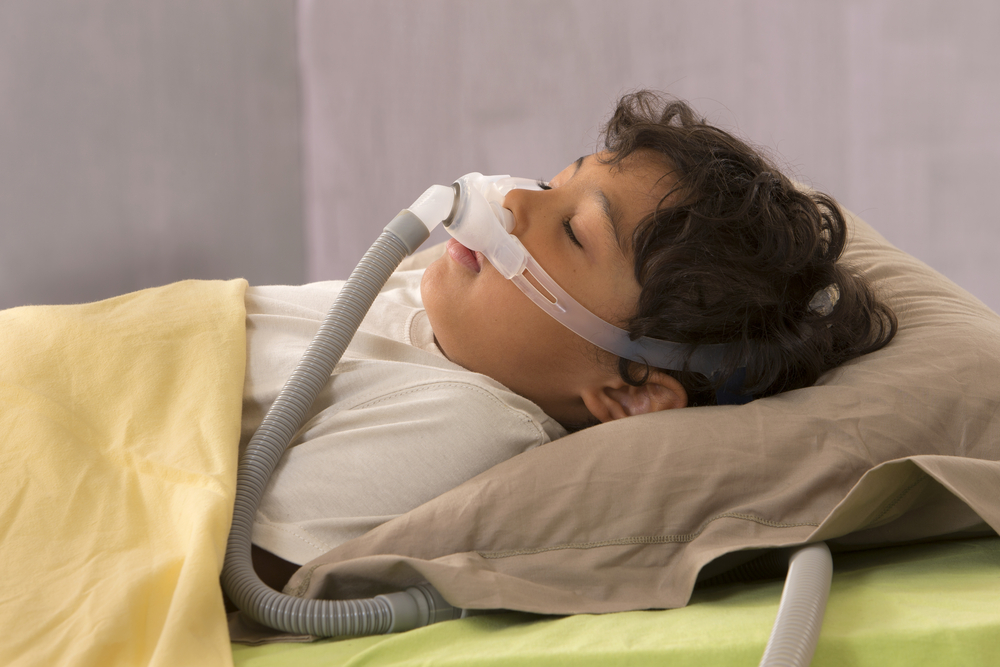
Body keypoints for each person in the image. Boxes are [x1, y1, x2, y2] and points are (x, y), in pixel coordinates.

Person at [238, 90, 897, 592]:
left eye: (574, 230)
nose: (515, 203)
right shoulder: (426, 292)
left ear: (627, 392)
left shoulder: (464, 421)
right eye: (554, 184)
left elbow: (213, 563)